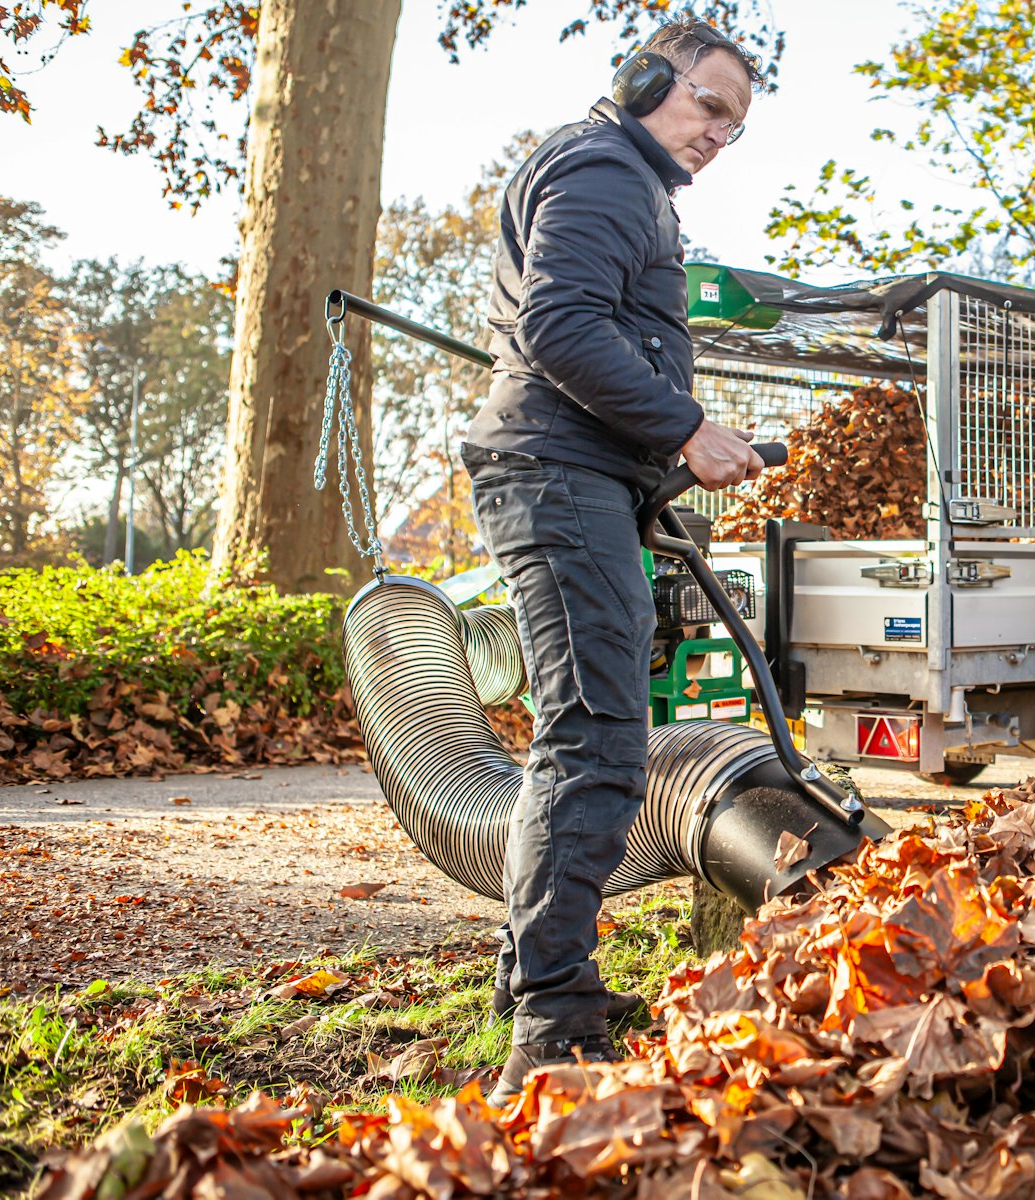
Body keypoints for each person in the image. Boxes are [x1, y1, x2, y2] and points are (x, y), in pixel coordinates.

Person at [462, 17, 767, 1107]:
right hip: (555, 471)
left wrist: (657, 451)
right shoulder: (601, 169)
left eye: (736, 125)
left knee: (590, 733)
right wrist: (685, 425)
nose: (718, 136)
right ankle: (552, 1025)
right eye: (709, 106)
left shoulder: (622, 181)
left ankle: (540, 980)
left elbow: (596, 332)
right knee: (592, 740)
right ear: (646, 79)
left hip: (583, 473)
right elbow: (559, 325)